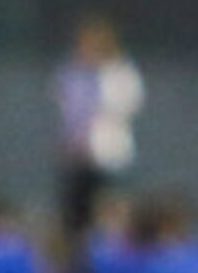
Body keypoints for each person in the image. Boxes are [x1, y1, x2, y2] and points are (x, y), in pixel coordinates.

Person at [51, 16, 144, 242]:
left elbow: (126, 106)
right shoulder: (71, 72)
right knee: (76, 212)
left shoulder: (120, 73)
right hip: (76, 154)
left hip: (107, 152)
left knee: (110, 206)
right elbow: (64, 105)